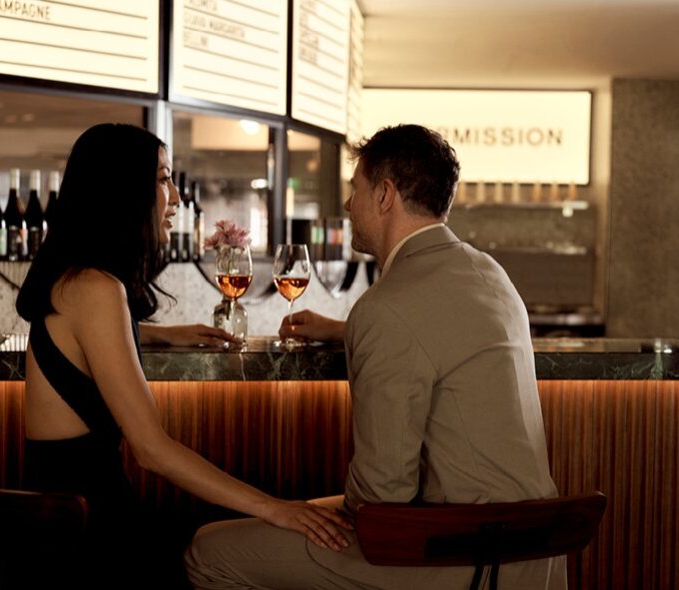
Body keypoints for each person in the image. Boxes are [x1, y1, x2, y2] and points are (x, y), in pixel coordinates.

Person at [185, 124, 565, 590]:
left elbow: (382, 497)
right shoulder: (490, 273)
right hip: (535, 556)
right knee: (303, 513)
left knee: (209, 551)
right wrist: (345, 330)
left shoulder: (387, 308)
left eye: (355, 189)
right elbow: (439, 335)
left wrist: (295, 512)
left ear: (385, 195)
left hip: (457, 556)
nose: (348, 205)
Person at [3, 123, 351, 588]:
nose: (176, 198)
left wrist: (159, 335)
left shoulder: (73, 279)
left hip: (48, 535)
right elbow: (151, 450)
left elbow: (78, 341)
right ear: (123, 190)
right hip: (85, 549)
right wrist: (274, 507)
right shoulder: (97, 289)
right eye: (164, 179)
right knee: (226, 551)